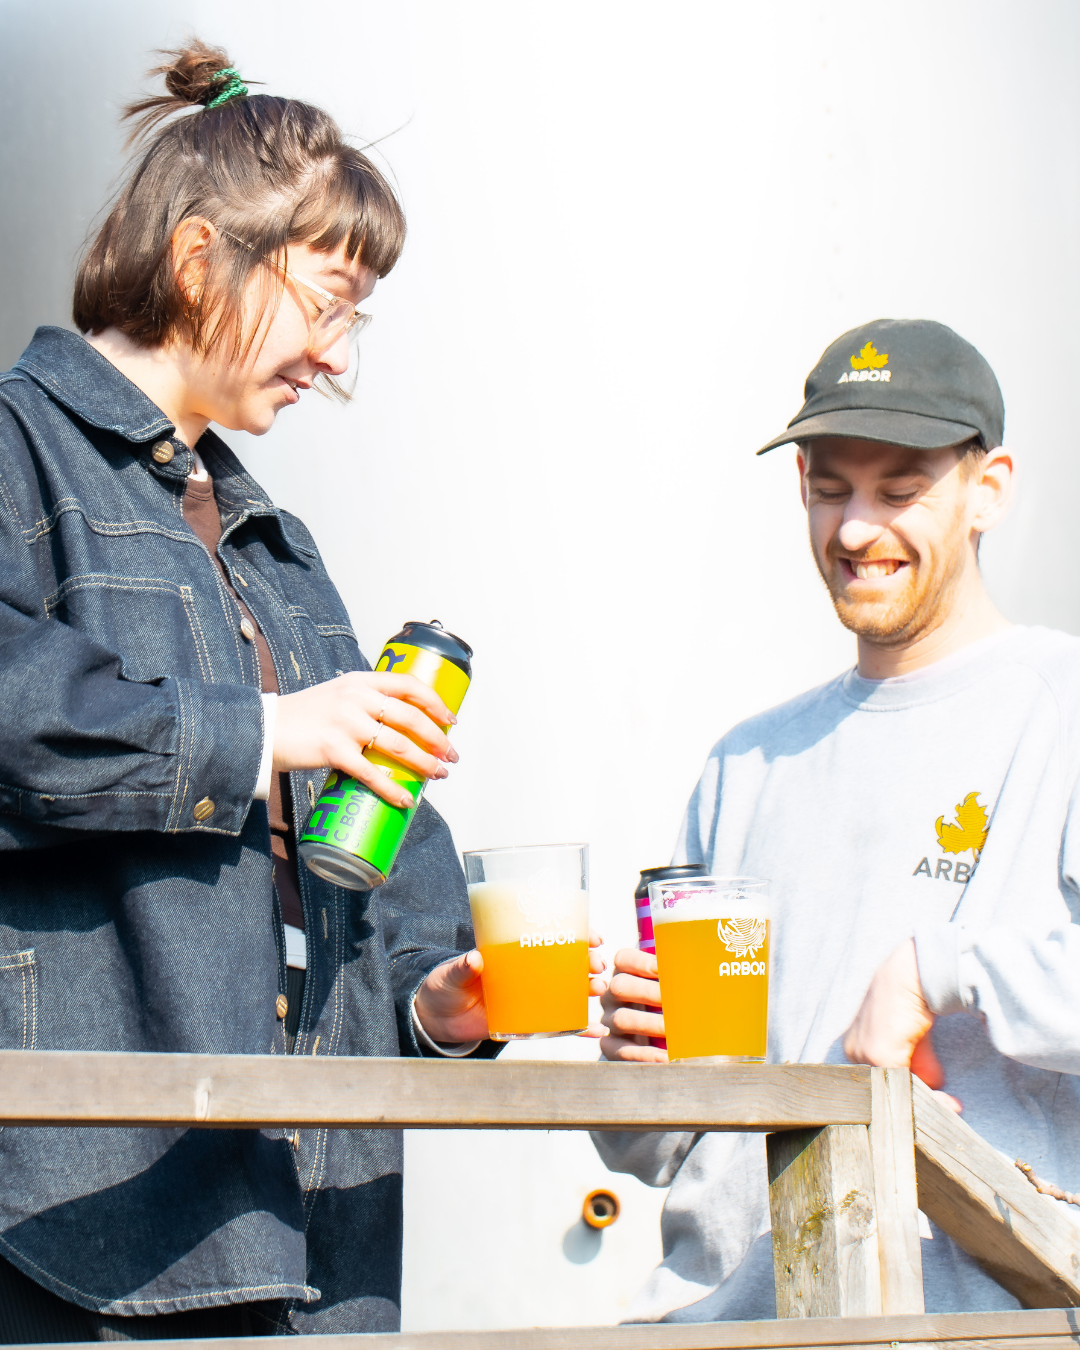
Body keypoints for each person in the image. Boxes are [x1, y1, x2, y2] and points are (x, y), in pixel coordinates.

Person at [0, 40, 598, 1342]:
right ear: (202, 258)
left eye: (355, 321)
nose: (335, 357)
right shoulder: (14, 449)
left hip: (318, 1229)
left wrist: (440, 1004)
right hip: (87, 1221)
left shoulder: (276, 542)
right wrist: (272, 728)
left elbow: (350, 842)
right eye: (325, 303)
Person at [595, 317, 1080, 1319]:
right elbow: (658, 1148)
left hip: (969, 1325)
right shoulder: (748, 762)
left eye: (901, 491)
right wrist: (634, 1068)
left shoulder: (1060, 710)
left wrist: (936, 967)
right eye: (829, 489)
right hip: (719, 1325)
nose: (858, 529)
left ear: (989, 489)